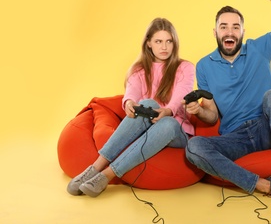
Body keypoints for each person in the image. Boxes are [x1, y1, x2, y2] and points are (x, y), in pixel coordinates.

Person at [184, 0, 271, 210]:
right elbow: (212, 115)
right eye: (224, 27)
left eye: (235, 27)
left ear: (242, 31)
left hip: (266, 127)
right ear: (215, 32)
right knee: (194, 147)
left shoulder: (260, 48)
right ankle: (265, 186)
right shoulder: (204, 65)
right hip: (235, 137)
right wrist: (198, 110)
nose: (229, 32)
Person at [67, 18, 195, 197]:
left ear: (175, 43)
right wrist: (129, 103)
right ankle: (94, 168)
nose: (164, 47)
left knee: (168, 123)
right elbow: (132, 91)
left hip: (175, 131)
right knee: (147, 104)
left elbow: (182, 93)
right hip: (146, 129)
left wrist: (167, 111)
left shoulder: (185, 67)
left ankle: (106, 175)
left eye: (169, 41)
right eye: (158, 41)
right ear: (149, 43)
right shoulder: (139, 70)